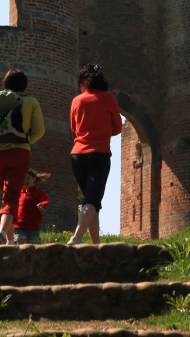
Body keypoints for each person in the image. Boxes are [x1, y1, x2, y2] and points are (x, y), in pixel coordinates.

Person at [0, 69, 45, 246]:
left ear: (4, 84)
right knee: (11, 197)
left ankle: (10, 242)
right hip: (19, 152)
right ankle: (3, 233)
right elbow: (39, 130)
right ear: (24, 86)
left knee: (9, 195)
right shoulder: (30, 102)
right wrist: (27, 141)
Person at [68, 64, 121, 245]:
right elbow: (118, 127)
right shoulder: (108, 98)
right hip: (99, 155)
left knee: (92, 202)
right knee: (92, 200)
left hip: (77, 155)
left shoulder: (77, 100)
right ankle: (76, 237)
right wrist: (104, 133)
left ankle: (96, 244)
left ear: (83, 81)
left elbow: (74, 130)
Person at [15, 169, 50, 244]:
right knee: (21, 247)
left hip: (33, 227)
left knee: (33, 250)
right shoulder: (19, 193)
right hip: (19, 226)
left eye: (28, 178)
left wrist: (42, 204)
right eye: (23, 178)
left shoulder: (38, 193)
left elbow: (45, 200)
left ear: (34, 178)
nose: (25, 180)